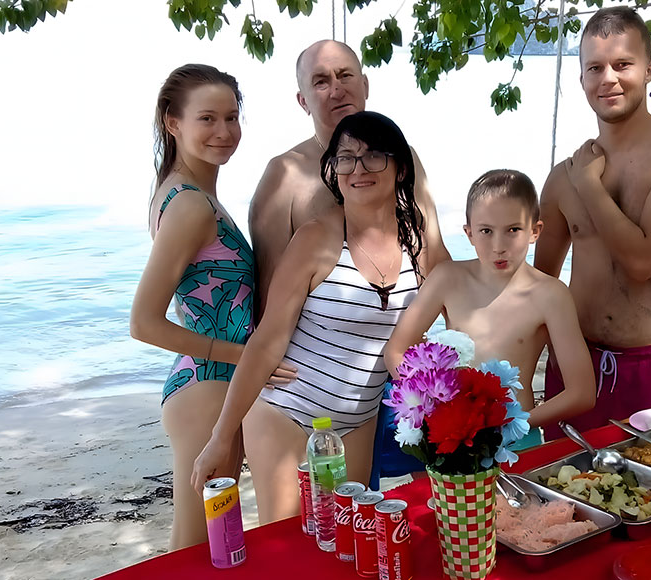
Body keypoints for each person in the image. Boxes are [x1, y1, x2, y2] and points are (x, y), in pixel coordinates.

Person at [191, 111, 446, 524]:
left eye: (373, 156)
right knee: (291, 541)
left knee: (347, 540)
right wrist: (221, 438)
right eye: (346, 158)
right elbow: (267, 340)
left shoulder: (416, 240)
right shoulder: (315, 237)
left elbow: (458, 297)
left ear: (400, 168)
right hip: (286, 412)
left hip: (358, 422)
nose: (358, 169)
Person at [534, 7, 651, 441]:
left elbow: (643, 262)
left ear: (649, 70)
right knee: (560, 480)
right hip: (573, 365)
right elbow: (538, 287)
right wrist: (520, 377)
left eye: (623, 64)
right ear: (582, 78)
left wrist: (590, 186)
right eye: (595, 68)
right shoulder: (562, 177)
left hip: (648, 366)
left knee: (646, 480)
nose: (608, 79)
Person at [130, 64, 275, 549]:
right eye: (207, 119)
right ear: (173, 123)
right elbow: (143, 323)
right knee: (195, 547)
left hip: (213, 386)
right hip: (205, 389)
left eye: (231, 117)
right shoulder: (190, 205)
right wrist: (245, 357)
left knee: (217, 543)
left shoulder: (189, 193)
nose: (224, 131)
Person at [385, 170, 596, 448]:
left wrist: (513, 423)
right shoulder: (447, 278)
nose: (499, 247)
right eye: (486, 231)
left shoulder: (551, 295)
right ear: (469, 233)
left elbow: (582, 392)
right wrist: (428, 402)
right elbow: (396, 350)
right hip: (454, 438)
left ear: (534, 231)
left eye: (513, 230)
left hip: (516, 439)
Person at [248, 39, 448, 321]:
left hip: (404, 340)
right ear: (303, 101)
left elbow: (436, 259)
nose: (337, 90)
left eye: (345, 75)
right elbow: (267, 296)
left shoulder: (404, 158)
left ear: (365, 86)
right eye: (321, 82)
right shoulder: (285, 174)